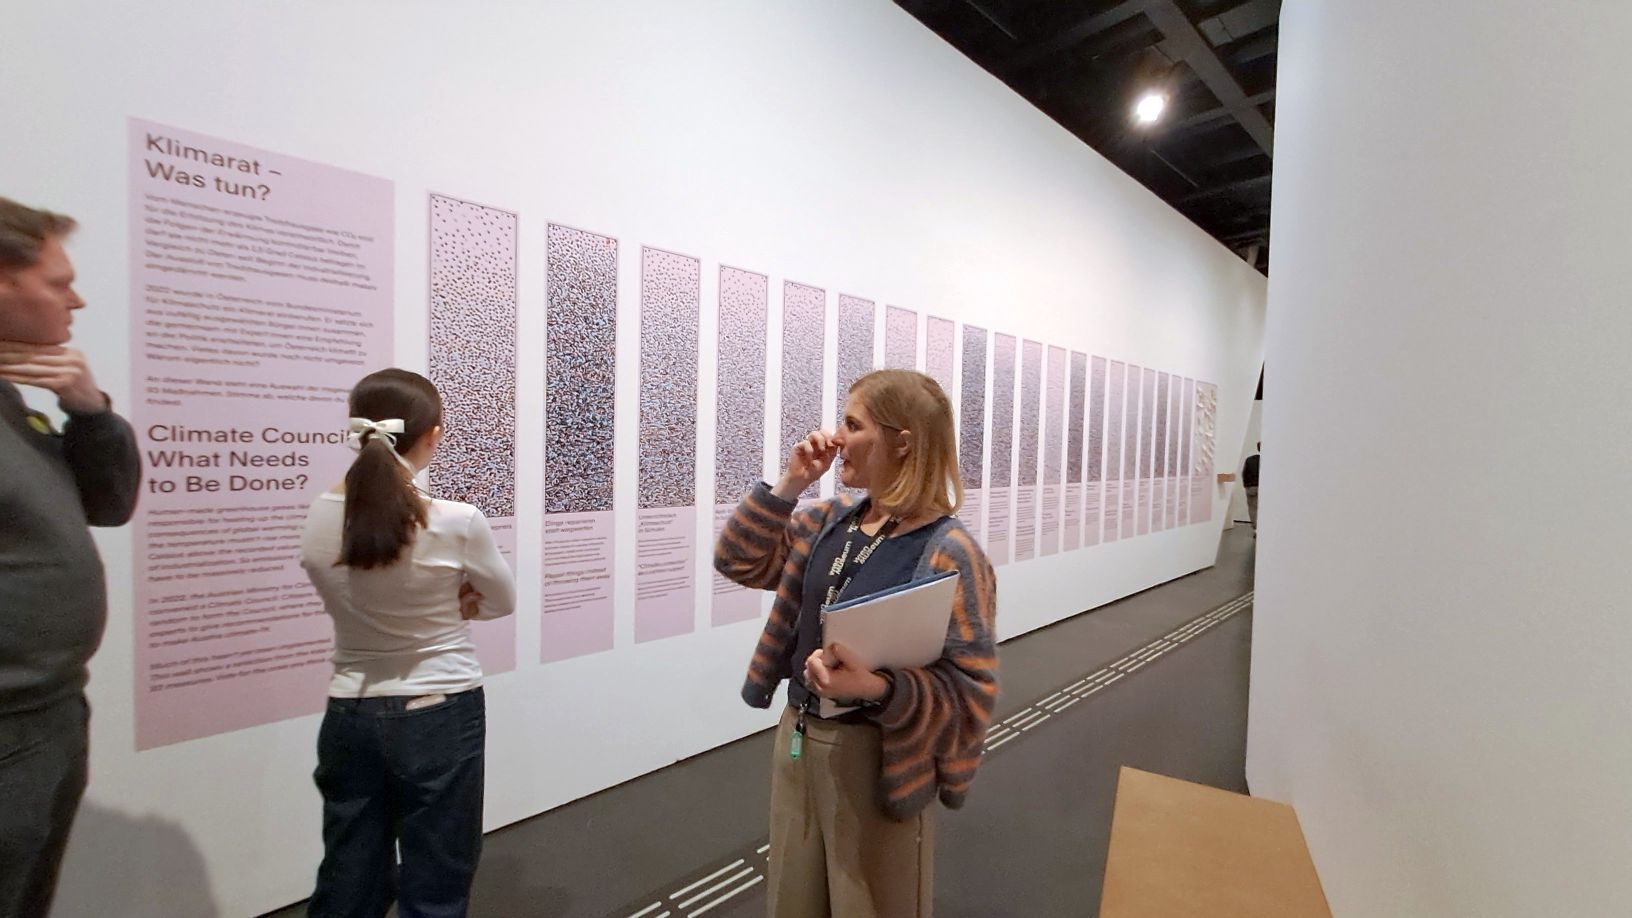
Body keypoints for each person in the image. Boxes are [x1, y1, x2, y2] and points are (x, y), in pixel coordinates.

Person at [716, 368, 999, 918]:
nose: (835, 437)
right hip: (798, 739)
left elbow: (971, 697)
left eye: (853, 424)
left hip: (879, 757)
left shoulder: (950, 552)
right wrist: (790, 483)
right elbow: (738, 560)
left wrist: (875, 686)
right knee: (793, 902)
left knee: (869, 903)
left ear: (902, 441)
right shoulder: (827, 521)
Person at [298, 368, 515, 918]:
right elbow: (501, 602)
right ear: (433, 435)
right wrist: (462, 600)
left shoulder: (319, 516)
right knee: (437, 879)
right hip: (441, 710)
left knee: (348, 874)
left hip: (349, 713)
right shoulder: (457, 521)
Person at [0, 197, 140, 917]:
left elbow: (109, 505)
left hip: (49, 711)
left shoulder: (15, 403)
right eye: (58, 283)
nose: (76, 298)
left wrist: (88, 409)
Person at [1242, 442, 1260, 533]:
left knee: (1253, 509)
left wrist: (1246, 485)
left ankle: (1256, 528)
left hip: (1251, 487)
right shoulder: (1268, 461)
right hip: (1262, 487)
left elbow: (1244, 473)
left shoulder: (1249, 460)